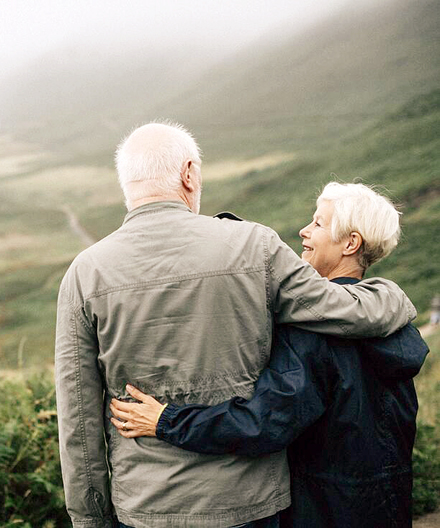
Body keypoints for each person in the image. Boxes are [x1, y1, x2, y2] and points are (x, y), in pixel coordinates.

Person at [55, 122, 418, 528]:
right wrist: (393, 296)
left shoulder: (84, 274)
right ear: (189, 173)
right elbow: (345, 310)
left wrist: (90, 519)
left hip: (145, 506)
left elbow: (79, 423)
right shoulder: (255, 246)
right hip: (252, 504)